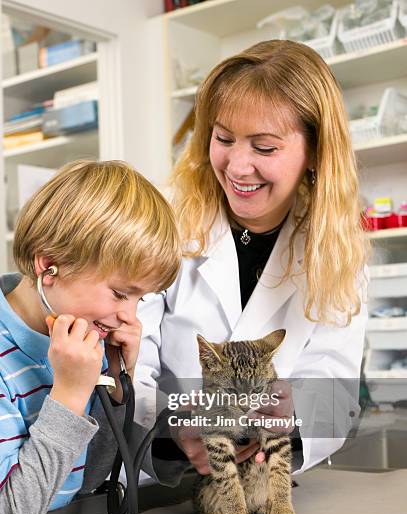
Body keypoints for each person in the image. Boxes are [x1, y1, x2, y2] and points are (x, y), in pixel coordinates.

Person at [135, 39, 370, 476]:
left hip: (268, 480)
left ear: (316, 151)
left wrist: (291, 423)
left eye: (264, 148)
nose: (238, 167)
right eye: (223, 138)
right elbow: (128, 360)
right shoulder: (163, 222)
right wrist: (174, 430)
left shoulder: (336, 248)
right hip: (161, 489)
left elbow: (334, 389)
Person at [0, 159, 189, 514]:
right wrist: (69, 396)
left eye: (141, 298)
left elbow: (89, 477)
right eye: (120, 294)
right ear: (49, 265)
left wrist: (117, 385)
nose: (129, 316)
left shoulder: (84, 338)